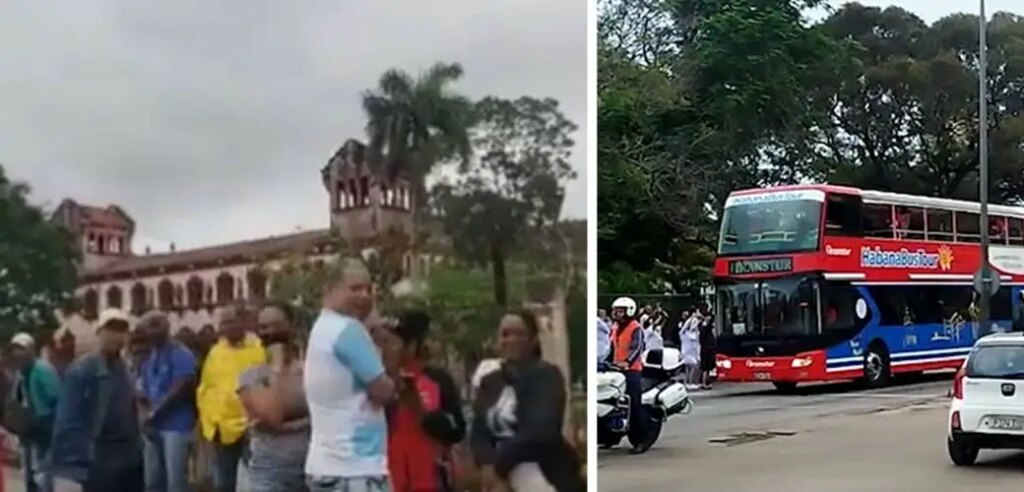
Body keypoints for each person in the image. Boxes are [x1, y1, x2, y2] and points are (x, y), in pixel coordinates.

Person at [304, 259, 396, 492]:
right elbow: (384, 391)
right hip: (356, 468)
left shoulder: (322, 328)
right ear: (330, 290)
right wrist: (383, 340)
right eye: (354, 288)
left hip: (325, 466)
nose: (365, 296)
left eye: (368, 289)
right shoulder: (348, 330)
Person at [470, 310, 583, 492]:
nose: (511, 340)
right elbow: (479, 432)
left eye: (519, 334)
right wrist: (486, 465)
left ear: (533, 340)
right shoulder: (490, 381)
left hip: (540, 470)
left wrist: (500, 466)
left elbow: (541, 430)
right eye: (505, 334)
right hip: (496, 475)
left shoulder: (547, 376)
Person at [49, 308, 144, 492]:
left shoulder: (125, 369)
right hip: (100, 456)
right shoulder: (82, 371)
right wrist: (75, 466)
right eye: (110, 330)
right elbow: (69, 421)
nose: (115, 336)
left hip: (130, 457)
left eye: (121, 331)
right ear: (99, 333)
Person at [376, 310, 467, 492]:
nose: (383, 349)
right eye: (381, 342)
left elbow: (457, 430)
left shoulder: (437, 379)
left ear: (412, 346)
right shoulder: (376, 383)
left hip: (431, 480)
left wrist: (421, 410)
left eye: (390, 342)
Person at [237, 303, 310, 492]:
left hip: (311, 472)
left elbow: (326, 414)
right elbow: (273, 417)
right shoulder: (251, 376)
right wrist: (276, 367)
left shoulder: (309, 370)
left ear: (291, 326)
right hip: (270, 473)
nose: (270, 332)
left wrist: (291, 423)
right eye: (263, 327)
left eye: (277, 325)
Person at [196, 303, 266, 492]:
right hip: (222, 430)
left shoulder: (259, 349)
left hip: (252, 427)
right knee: (223, 483)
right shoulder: (215, 353)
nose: (224, 327)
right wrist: (210, 422)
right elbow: (206, 390)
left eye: (229, 322)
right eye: (222, 323)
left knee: (257, 480)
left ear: (242, 322)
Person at [137, 311, 198, 492]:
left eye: (156, 325)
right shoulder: (149, 356)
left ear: (167, 327)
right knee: (152, 482)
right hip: (153, 426)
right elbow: (142, 390)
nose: (152, 331)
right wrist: (144, 414)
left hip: (177, 426)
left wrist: (154, 413)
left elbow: (182, 387)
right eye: (148, 326)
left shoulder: (181, 353)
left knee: (175, 483)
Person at [7, 332, 61, 492]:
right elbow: (15, 398)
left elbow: (56, 397)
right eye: (15, 350)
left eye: (22, 349)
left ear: (31, 349)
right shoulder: (19, 372)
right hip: (27, 428)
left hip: (44, 427)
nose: (18, 353)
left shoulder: (42, 369)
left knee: (42, 473)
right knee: (28, 470)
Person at [609, 296, 649, 454]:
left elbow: (637, 347)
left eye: (620, 311)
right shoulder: (614, 328)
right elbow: (612, 348)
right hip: (615, 370)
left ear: (629, 311)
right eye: (616, 311)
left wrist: (627, 362)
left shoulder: (635, 327)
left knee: (634, 405)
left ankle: (640, 440)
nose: (617, 314)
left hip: (632, 371)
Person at [679, 309, 702, 388]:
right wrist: (694, 317)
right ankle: (690, 382)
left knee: (688, 368)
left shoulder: (684, 334)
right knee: (692, 367)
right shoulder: (690, 335)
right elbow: (692, 326)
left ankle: (687, 383)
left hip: (687, 352)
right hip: (690, 351)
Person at [698, 314, 717, 390]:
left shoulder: (704, 328)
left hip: (708, 349)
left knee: (708, 367)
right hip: (707, 349)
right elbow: (708, 324)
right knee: (705, 367)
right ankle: (704, 383)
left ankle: (706, 382)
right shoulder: (705, 329)